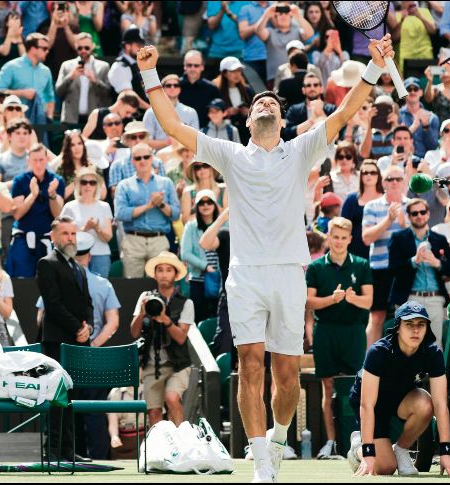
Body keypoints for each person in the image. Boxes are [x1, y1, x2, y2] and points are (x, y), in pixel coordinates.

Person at [136, 30, 395, 482]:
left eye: (273, 102)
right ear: (250, 119)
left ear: (281, 115)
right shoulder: (231, 155)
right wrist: (148, 72)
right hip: (246, 276)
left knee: (288, 373)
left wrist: (373, 66)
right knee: (251, 364)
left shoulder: (300, 151)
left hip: (287, 275)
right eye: (260, 103)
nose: (266, 104)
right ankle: (261, 464)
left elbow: (345, 111)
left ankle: (276, 437)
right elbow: (175, 127)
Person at [347, 301, 450, 477]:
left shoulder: (433, 353)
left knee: (426, 403)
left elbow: (440, 404)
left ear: (426, 328)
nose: (416, 330)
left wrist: (446, 452)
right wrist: (369, 453)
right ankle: (358, 447)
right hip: (373, 404)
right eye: (409, 325)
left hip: (401, 398)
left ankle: (401, 449)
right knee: (385, 467)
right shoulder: (378, 352)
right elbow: (366, 405)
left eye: (421, 325)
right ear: (398, 327)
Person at [305, 217, 372, 459]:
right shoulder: (315, 268)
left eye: (344, 238)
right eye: (335, 237)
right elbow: (309, 301)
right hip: (326, 332)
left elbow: (369, 301)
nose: (339, 242)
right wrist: (331, 300)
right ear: (329, 238)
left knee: (357, 388)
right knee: (328, 387)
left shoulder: (362, 265)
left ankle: (357, 439)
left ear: (350, 240)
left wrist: (351, 298)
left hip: (354, 332)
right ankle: (332, 441)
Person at [36, 216, 93, 461]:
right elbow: (53, 304)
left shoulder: (78, 267)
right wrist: (77, 329)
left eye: (73, 233)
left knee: (71, 398)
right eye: (65, 233)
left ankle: (68, 451)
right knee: (56, 395)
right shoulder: (46, 263)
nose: (70, 238)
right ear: (54, 237)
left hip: (76, 342)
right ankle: (52, 451)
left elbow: (87, 304)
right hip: (57, 341)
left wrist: (88, 327)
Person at [130, 251, 193, 427]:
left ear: (175, 274)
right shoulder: (145, 298)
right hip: (152, 363)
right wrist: (142, 313)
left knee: (172, 397)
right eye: (160, 270)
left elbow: (181, 338)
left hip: (178, 364)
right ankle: (159, 449)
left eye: (168, 270)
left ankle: (180, 442)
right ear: (155, 274)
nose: (164, 274)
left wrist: (166, 320)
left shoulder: (186, 303)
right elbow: (134, 332)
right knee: (154, 411)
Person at [387, 199, 450, 348]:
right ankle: (409, 373)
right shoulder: (399, 238)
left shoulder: (439, 239)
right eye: (414, 213)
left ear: (428, 214)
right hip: (410, 298)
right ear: (409, 216)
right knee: (408, 345)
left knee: (435, 345)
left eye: (422, 212)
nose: (419, 215)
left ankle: (435, 373)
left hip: (435, 298)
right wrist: (414, 260)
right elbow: (393, 269)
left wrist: (437, 263)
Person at [114, 143, 179, 279]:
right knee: (132, 288)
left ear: (152, 159)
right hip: (133, 240)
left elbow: (175, 214)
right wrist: (147, 207)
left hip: (158, 239)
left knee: (158, 285)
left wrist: (161, 204)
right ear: (132, 161)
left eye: (146, 157)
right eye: (138, 158)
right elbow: (120, 214)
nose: (142, 161)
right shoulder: (124, 185)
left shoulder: (166, 183)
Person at [361, 165, 409, 348]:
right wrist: (388, 220)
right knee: (377, 316)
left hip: (403, 269)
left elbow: (417, 240)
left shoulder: (412, 205)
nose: (394, 182)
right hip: (379, 269)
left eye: (398, 179)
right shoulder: (372, 206)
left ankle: (404, 363)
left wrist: (404, 226)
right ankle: (369, 364)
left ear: (404, 181)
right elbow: (366, 238)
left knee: (406, 315)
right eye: (390, 179)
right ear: (383, 183)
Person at [7, 143, 64, 278]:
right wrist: (32, 195)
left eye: (41, 160)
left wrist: (52, 195)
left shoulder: (56, 180)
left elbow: (58, 215)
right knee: (22, 281)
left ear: (47, 160)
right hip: (24, 238)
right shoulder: (20, 180)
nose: (38, 164)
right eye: (35, 160)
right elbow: (17, 214)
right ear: (28, 161)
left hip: (47, 239)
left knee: (49, 281)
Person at [60, 167, 113, 278]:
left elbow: (108, 237)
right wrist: (85, 228)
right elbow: (64, 235)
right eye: (84, 182)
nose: (88, 186)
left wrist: (97, 227)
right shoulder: (69, 206)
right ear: (78, 185)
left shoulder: (104, 206)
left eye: (92, 182)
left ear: (97, 186)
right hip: (77, 254)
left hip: (101, 255)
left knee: (100, 291)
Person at [0, 33, 55, 123]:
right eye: (44, 49)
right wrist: (22, 93)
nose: (47, 51)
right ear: (33, 49)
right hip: (14, 121)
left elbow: (49, 97)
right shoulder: (11, 67)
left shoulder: (46, 71)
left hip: (40, 121)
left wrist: (49, 117)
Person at [181, 190, 222, 323]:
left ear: (215, 204)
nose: (205, 205)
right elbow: (185, 253)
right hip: (198, 280)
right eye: (201, 202)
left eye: (209, 201)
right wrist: (205, 266)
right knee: (199, 316)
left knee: (219, 317)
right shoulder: (191, 226)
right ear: (197, 206)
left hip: (221, 279)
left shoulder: (224, 224)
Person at [55, 32, 111, 126]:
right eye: (80, 48)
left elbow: (108, 94)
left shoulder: (103, 66)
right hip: (71, 119)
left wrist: (95, 80)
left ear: (92, 46)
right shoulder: (67, 66)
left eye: (87, 48)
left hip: (95, 119)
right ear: (75, 47)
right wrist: (71, 76)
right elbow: (59, 92)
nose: (83, 50)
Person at [254, 3, 314, 87]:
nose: (283, 16)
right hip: (274, 77)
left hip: (296, 76)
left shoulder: (297, 31)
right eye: (280, 14)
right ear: (275, 18)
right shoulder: (270, 32)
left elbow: (310, 33)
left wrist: (298, 16)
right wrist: (266, 14)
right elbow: (258, 31)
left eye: (286, 14)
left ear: (290, 17)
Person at [143, 74, 199, 151]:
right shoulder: (151, 112)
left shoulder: (191, 112)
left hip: (185, 157)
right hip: (160, 158)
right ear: (162, 89)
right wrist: (167, 143)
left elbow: (196, 140)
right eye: (168, 85)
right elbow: (146, 141)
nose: (172, 88)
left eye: (176, 85)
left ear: (180, 88)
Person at [283, 72, 336, 141]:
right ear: (303, 90)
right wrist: (311, 121)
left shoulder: (331, 109)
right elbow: (287, 133)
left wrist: (321, 113)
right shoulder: (294, 109)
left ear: (321, 89)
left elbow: (336, 133)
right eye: (308, 85)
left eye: (315, 85)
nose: (312, 88)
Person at [107, 27, 149, 111]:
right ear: (127, 46)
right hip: (126, 119)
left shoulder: (136, 65)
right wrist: (151, 110)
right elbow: (129, 96)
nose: (141, 49)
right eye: (138, 45)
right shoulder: (120, 66)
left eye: (142, 45)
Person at [178, 50, 219, 127]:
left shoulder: (212, 88)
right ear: (184, 66)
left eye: (196, 65)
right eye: (189, 65)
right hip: (177, 133)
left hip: (204, 133)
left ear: (202, 67)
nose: (192, 69)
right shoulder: (173, 86)